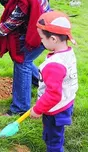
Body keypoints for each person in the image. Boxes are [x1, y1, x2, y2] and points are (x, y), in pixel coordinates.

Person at [31, 11, 78, 152]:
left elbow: (53, 94)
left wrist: (37, 109)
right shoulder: (67, 52)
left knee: (53, 141)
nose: (41, 41)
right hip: (66, 102)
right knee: (55, 133)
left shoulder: (54, 65)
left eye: (41, 38)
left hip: (55, 110)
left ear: (53, 39)